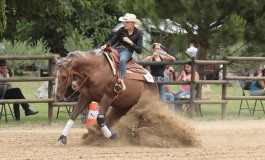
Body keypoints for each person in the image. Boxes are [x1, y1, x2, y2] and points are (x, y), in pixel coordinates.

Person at [101, 13, 143, 93]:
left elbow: (139, 50)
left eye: (126, 22)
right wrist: (106, 45)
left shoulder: (138, 33)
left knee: (122, 60)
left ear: (132, 23)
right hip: (117, 49)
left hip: (127, 51)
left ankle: (122, 81)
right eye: (124, 22)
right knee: (105, 55)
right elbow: (113, 40)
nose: (124, 24)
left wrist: (130, 42)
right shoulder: (121, 30)